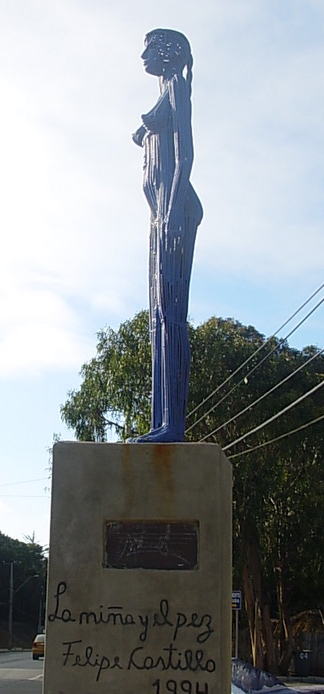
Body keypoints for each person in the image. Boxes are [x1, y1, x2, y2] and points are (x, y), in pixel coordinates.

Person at [130, 29, 203, 443]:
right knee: (158, 319)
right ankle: (162, 421)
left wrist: (172, 210)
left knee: (172, 317)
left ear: (170, 54)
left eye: (152, 48)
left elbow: (186, 154)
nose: (144, 54)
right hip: (159, 216)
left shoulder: (177, 86)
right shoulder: (164, 92)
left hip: (174, 213)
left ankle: (174, 424)